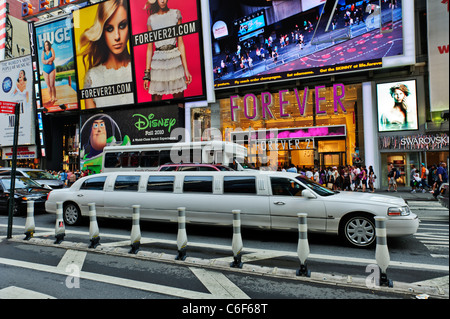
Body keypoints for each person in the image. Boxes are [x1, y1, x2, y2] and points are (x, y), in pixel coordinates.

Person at [79, 0, 134, 108]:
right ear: (101, 31)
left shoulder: (141, 68)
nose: (117, 36)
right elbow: (92, 120)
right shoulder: (92, 76)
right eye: (109, 29)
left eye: (122, 26)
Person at [143, 0, 192, 102]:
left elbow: (180, 41)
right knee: (156, 102)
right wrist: (146, 75)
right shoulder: (151, 19)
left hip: (174, 58)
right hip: (158, 60)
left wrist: (186, 70)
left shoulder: (175, 14)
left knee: (179, 102)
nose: (163, 0)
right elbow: (149, 47)